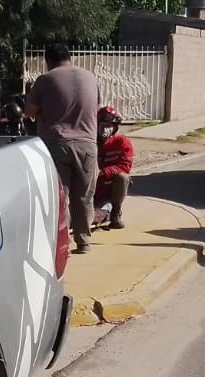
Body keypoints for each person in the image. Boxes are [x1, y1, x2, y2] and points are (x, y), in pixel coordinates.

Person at [26, 43, 100, 253]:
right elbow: (96, 108)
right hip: (87, 145)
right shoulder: (90, 77)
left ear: (48, 60)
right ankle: (84, 242)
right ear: (70, 57)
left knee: (60, 197)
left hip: (57, 144)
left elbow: (30, 111)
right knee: (84, 196)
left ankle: (61, 245)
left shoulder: (46, 79)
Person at [93, 105, 133, 229]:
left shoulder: (122, 142)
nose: (105, 130)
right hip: (90, 188)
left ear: (114, 128)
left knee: (123, 178)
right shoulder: (89, 143)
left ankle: (115, 213)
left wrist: (102, 172)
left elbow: (125, 167)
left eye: (108, 126)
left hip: (110, 188)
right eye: (102, 126)